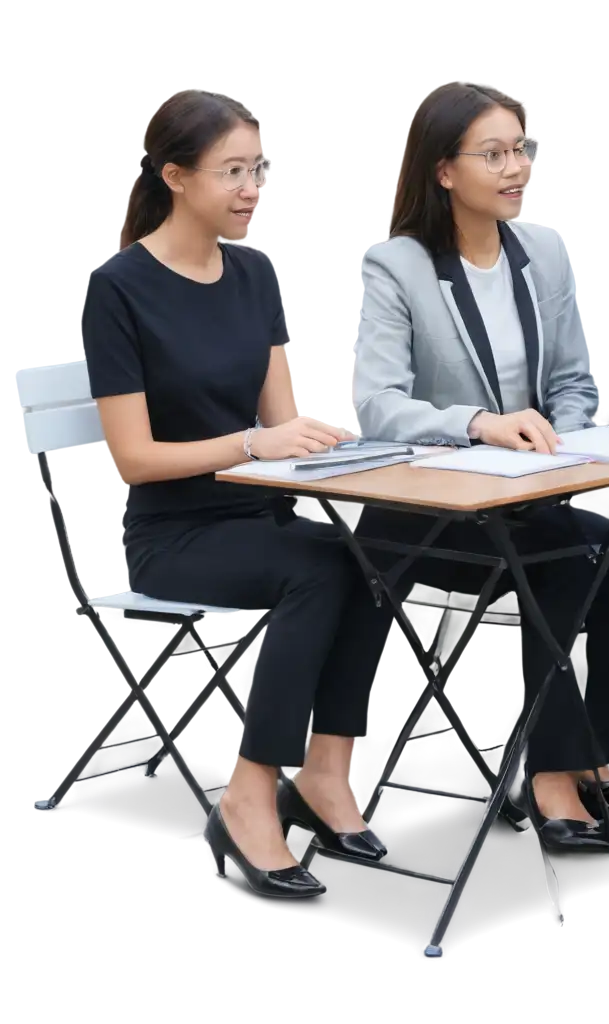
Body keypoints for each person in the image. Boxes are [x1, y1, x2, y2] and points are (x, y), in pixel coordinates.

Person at [80, 88, 389, 900]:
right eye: (234, 172)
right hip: (171, 537)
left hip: (260, 513)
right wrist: (254, 443)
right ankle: (252, 791)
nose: (254, 188)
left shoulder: (254, 275)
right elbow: (132, 460)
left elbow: (284, 427)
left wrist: (335, 445)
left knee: (366, 551)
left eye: (261, 169)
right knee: (317, 570)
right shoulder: (116, 288)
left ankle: (326, 773)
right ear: (176, 176)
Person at [353, 82, 609, 857]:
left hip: (529, 495)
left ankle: (601, 750)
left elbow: (569, 383)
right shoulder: (396, 265)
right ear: (444, 171)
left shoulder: (546, 251)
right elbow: (376, 407)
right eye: (493, 153)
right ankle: (548, 775)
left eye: (522, 148)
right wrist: (478, 425)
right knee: (567, 565)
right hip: (428, 510)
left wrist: (575, 444)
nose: (515, 167)